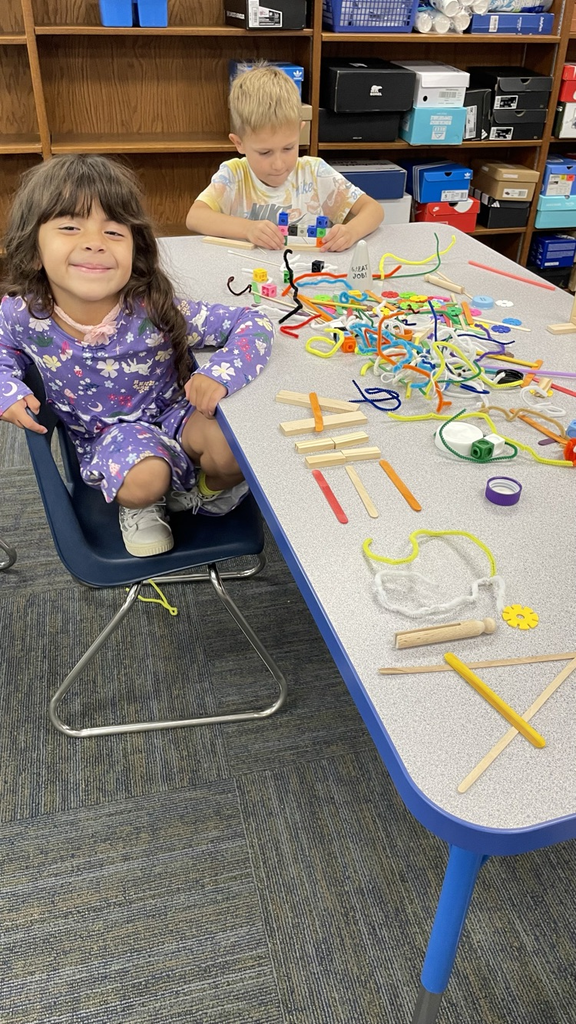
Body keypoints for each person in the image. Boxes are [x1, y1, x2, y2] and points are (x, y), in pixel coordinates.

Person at [0, 154, 273, 558]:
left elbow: (253, 322)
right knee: (145, 478)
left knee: (236, 445)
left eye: (113, 231)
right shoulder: (22, 313)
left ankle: (199, 494)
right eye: (70, 226)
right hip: (111, 436)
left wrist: (219, 374)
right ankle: (144, 503)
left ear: (135, 250)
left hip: (175, 415)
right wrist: (7, 389)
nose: (94, 241)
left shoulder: (154, 308)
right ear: (34, 250)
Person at [186, 63, 383, 252]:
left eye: (288, 148)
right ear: (239, 143)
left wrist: (350, 232)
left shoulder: (315, 172)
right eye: (265, 152)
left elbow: (373, 209)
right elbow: (195, 217)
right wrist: (247, 229)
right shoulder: (234, 175)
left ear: (300, 132)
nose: (278, 164)